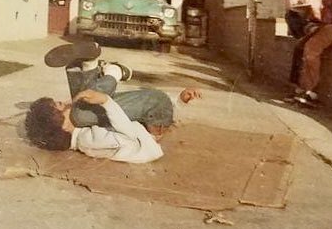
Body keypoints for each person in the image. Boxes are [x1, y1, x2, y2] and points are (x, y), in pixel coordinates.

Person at [25, 40, 201, 163]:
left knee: (83, 102)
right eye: (61, 106)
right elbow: (129, 135)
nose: (65, 102)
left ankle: (85, 65)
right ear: (62, 127)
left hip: (153, 114)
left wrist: (179, 101)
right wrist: (105, 102)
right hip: (152, 122)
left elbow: (126, 111)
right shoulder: (90, 142)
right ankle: (112, 72)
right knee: (81, 111)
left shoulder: (82, 132)